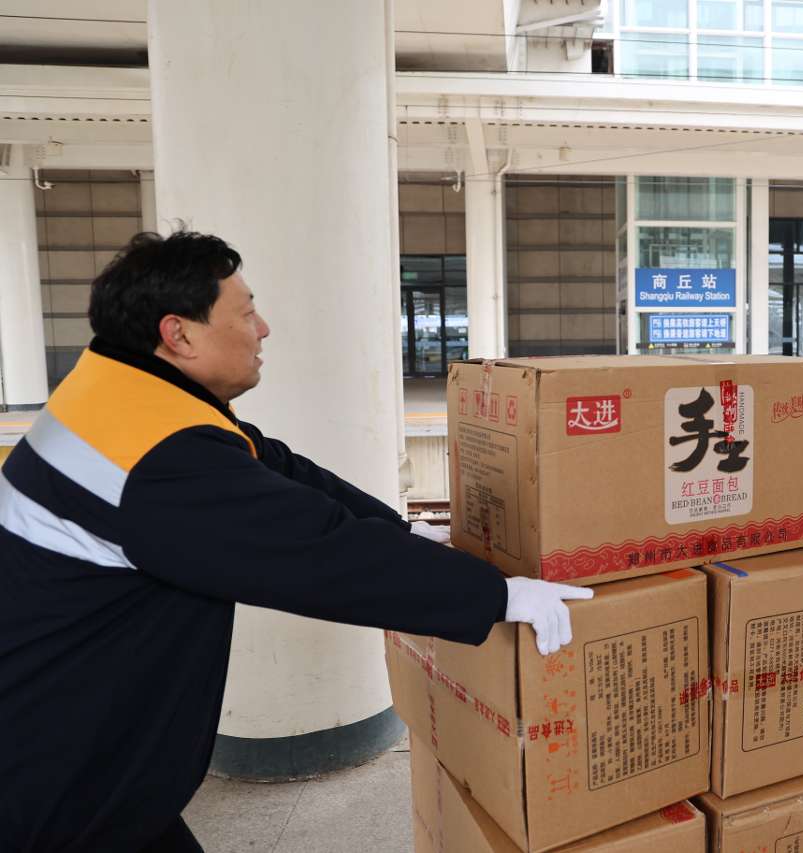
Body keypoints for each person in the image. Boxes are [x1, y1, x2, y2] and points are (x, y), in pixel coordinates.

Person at [0, 231, 591, 853]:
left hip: (82, 735)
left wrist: (405, 528)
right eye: (246, 310)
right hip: (58, 764)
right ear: (179, 334)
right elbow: (319, 553)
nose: (264, 328)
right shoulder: (158, 460)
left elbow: (274, 469)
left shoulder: (124, 392)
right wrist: (493, 594)